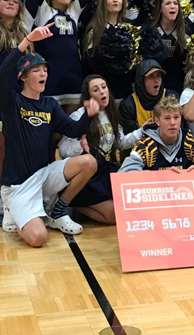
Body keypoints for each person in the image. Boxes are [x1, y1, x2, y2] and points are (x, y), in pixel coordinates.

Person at [0, 24, 99, 246]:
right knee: (38, 239)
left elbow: (72, 130)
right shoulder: (12, 101)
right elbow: (2, 73)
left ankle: (56, 210)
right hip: (19, 184)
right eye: (36, 70)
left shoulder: (50, 104)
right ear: (23, 77)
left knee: (89, 162)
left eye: (44, 70)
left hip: (43, 175)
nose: (43, 73)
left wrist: (89, 116)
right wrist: (27, 40)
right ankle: (12, 210)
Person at [57, 75, 145, 224]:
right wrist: (80, 145)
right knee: (113, 216)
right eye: (96, 89)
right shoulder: (79, 115)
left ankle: (80, 207)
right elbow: (63, 150)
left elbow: (120, 143)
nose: (102, 92)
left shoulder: (111, 114)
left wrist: (142, 131)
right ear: (89, 95)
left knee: (127, 208)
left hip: (105, 171)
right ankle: (70, 202)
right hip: (86, 176)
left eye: (104, 87)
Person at [120, 96, 194, 171]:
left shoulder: (188, 143)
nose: (173, 123)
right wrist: (160, 177)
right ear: (157, 121)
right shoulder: (146, 146)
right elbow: (124, 173)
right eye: (167, 118)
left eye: (176, 117)